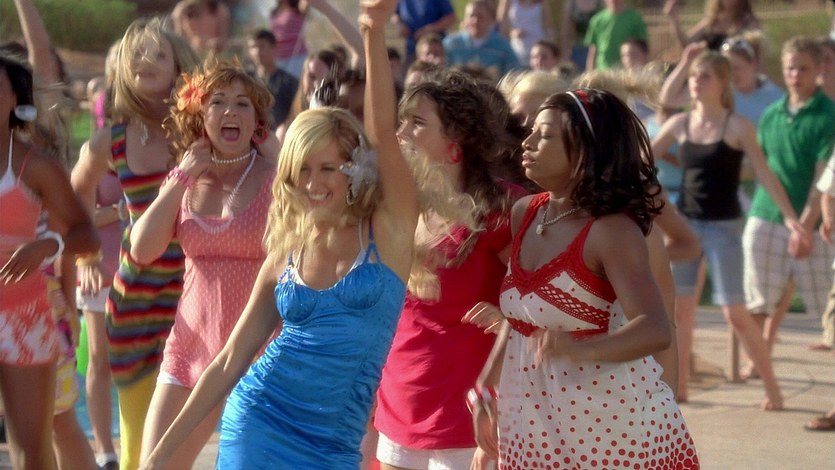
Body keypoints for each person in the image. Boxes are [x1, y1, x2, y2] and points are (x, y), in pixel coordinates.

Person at [138, 0, 470, 467]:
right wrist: (157, 457)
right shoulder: (287, 253)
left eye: (328, 168)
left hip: (334, 443)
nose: (313, 183)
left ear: (354, 168)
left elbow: (381, 129)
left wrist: (372, 30)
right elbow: (229, 360)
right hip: (258, 419)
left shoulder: (388, 231)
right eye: (302, 170)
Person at [463, 88, 699, 468]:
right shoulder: (526, 213)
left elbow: (655, 328)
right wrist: (486, 391)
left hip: (610, 430)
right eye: (532, 132)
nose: (528, 142)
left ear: (585, 152)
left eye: (545, 135)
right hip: (535, 426)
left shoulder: (611, 231)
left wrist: (579, 349)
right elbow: (521, 321)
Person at [374, 71, 527, 470]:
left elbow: (545, 293)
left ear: (454, 140)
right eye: (402, 121)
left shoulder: (503, 207)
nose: (401, 133)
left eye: (417, 123)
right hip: (399, 400)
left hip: (470, 412)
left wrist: (510, 320)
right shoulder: (398, 202)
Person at [128, 60, 276, 469]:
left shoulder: (276, 178)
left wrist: (280, 154)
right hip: (190, 347)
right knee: (154, 464)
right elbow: (142, 249)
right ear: (200, 115)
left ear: (257, 120)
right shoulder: (184, 178)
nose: (231, 111)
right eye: (218, 102)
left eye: (243, 103)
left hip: (260, 351)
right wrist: (183, 175)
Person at [70, 18, 199, 470]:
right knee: (137, 443)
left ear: (179, 66)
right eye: (137, 54)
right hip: (135, 298)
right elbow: (75, 192)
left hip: (193, 297)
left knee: (185, 441)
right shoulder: (112, 140)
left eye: (159, 53)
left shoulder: (199, 132)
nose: (147, 61)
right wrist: (86, 255)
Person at [652, 51, 800, 407]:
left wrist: (790, 217)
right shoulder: (680, 124)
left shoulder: (737, 126)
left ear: (722, 82)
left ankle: (772, 389)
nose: (696, 82)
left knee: (735, 312)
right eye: (693, 77)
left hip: (724, 229)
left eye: (704, 76)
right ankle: (679, 388)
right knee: (681, 311)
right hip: (685, 228)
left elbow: (764, 173)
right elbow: (641, 161)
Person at [0, 52, 99, 470]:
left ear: (15, 100)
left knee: (33, 453)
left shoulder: (36, 167)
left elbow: (87, 236)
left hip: (23, 319)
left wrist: (47, 247)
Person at [743, 37, 835, 354]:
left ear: (819, 69)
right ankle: (756, 363)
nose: (796, 75)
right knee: (757, 300)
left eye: (803, 68)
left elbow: (823, 178)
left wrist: (804, 225)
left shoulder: (829, 116)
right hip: (768, 214)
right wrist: (788, 218)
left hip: (817, 223)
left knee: (827, 306)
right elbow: (764, 170)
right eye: (790, 68)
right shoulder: (771, 115)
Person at [443, 0, 520, 81]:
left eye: (480, 17)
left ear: (490, 20)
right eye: (471, 16)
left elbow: (514, 74)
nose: (475, 21)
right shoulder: (451, 44)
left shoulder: (502, 47)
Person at [247, 29, 299, 131]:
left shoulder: (289, 82)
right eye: (253, 47)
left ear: (274, 48)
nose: (257, 51)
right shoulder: (246, 81)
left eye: (262, 46)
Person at [664, 0, 760, 50]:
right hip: (714, 76)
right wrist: (675, 20)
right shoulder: (712, 21)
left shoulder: (748, 23)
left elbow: (756, 55)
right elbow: (687, 44)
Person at [584, 0, 648, 71]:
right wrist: (590, 71)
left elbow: (643, 48)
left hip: (626, 71)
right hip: (603, 70)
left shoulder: (634, 18)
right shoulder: (597, 20)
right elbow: (593, 50)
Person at [497, 0, 555, 66]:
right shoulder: (508, 1)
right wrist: (512, 33)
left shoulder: (541, 2)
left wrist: (552, 46)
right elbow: (501, 24)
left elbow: (549, 26)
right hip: (517, 47)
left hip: (538, 47)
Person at [560, 0, 604, 72]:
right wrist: (565, 55)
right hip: (579, 48)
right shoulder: (571, 3)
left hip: (599, 48)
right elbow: (565, 32)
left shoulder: (602, 2)